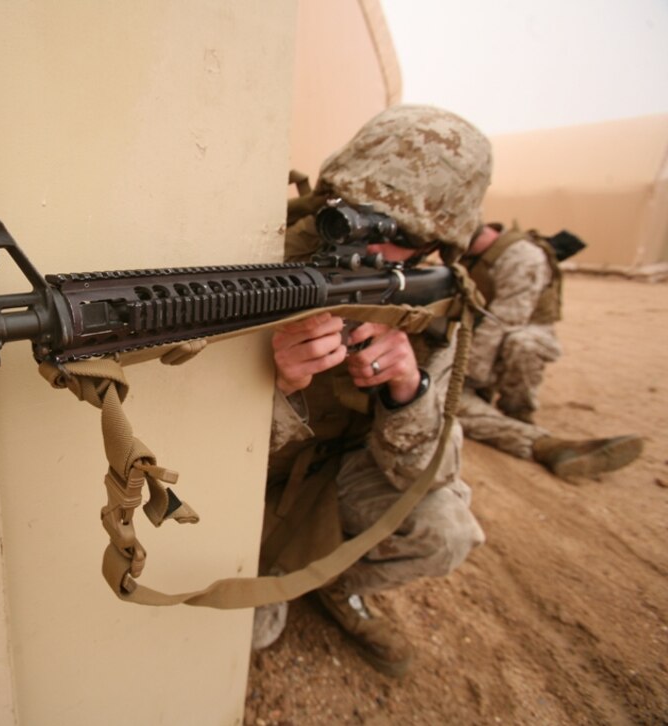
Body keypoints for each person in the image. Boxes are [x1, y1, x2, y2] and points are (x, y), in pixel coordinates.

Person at [253, 105, 490, 677]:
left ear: (439, 245)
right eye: (358, 216)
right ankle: (281, 573)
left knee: (446, 529)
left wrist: (406, 390)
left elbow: (434, 473)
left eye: (403, 236)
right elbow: (180, 442)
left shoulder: (430, 298)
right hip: (250, 480)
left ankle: (330, 582)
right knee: (253, 633)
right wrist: (273, 386)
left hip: (335, 472)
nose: (374, 248)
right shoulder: (259, 255)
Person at [458, 223, 643, 477]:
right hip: (480, 338)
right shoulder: (467, 256)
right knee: (450, 402)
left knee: (521, 345)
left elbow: (505, 320)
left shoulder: (522, 256)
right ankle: (547, 447)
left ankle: (519, 414)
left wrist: (468, 376)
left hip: (522, 330)